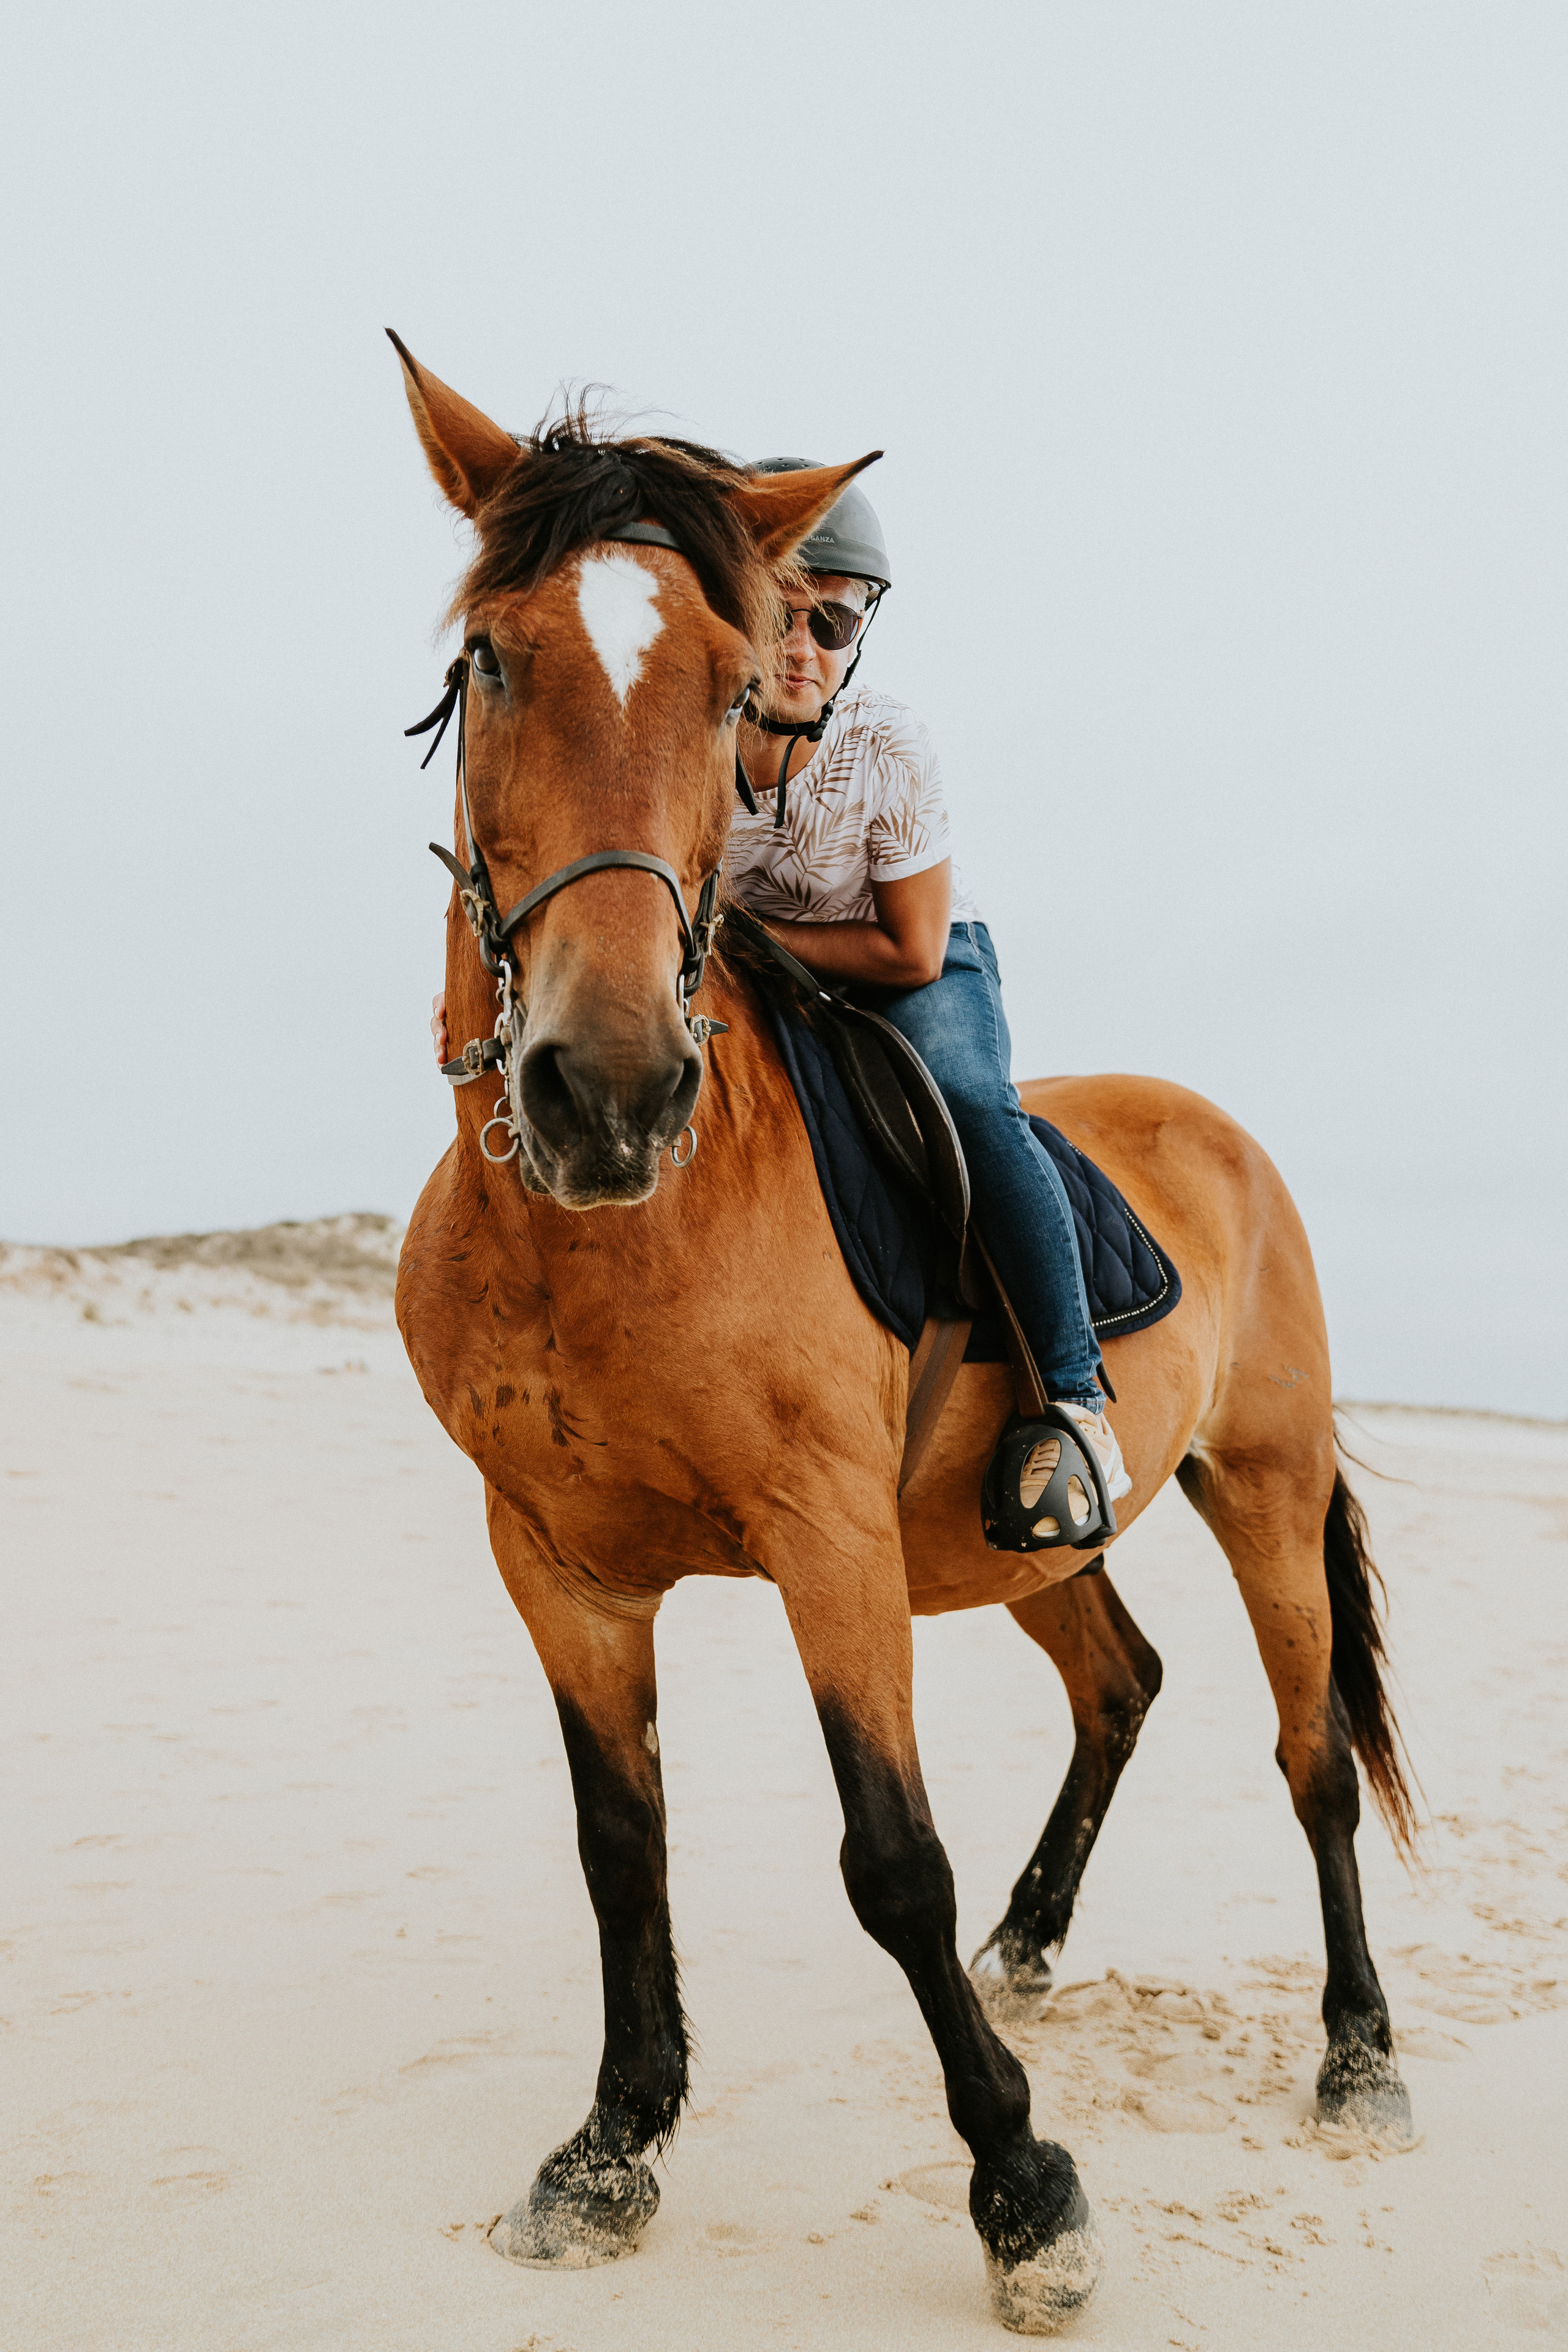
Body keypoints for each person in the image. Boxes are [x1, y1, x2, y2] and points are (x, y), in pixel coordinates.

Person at [431, 462, 1131, 1536]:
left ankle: (1077, 1407)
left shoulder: (886, 745)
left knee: (975, 1106)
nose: (805, 648)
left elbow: (908, 947)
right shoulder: (688, 726)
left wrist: (742, 940)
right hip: (751, 968)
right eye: (784, 618)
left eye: (837, 624)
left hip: (915, 958)